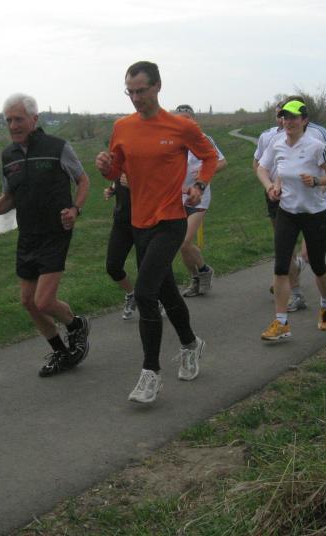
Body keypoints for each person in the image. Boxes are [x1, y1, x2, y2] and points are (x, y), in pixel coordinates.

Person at [96, 61, 217, 404]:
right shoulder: (122, 127)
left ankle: (150, 374)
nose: (136, 98)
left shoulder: (181, 126)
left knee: (146, 293)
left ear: (158, 86)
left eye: (141, 91)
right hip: (140, 223)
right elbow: (117, 171)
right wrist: (106, 168)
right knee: (166, 293)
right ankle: (191, 344)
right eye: (130, 92)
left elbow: (209, 157)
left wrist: (199, 185)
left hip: (171, 220)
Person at [0, 93, 91, 377]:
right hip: (27, 235)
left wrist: (75, 209)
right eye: (8, 120)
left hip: (55, 231)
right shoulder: (8, 156)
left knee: (44, 301)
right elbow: (8, 199)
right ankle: (61, 352)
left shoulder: (57, 147)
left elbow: (83, 179)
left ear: (34, 119)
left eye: (18, 119)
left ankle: (76, 325)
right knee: (28, 301)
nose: (13, 126)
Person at [256, 100, 326, 340]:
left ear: (305, 120)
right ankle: (281, 323)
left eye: (294, 117)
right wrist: (271, 186)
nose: (288, 122)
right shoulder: (276, 144)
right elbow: (262, 168)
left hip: (314, 214)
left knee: (318, 265)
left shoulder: (317, 146)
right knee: (281, 266)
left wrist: (317, 181)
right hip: (287, 213)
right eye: (285, 117)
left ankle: (325, 305)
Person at [172, 104, 227, 297]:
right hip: (177, 197)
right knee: (182, 246)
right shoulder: (171, 141)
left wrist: (203, 175)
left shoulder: (203, 139)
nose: (183, 122)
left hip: (199, 198)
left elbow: (222, 162)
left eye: (187, 118)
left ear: (193, 120)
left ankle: (204, 271)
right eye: (179, 119)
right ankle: (196, 278)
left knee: (184, 242)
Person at [103, 174, 137, 319]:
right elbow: (118, 178)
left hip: (145, 221)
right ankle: (131, 294)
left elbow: (157, 186)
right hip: (122, 221)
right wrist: (112, 189)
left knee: (148, 266)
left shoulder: (145, 160)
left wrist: (133, 185)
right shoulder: (119, 162)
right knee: (113, 266)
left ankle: (155, 298)